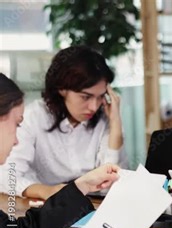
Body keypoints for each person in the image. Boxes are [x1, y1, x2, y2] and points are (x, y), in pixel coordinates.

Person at [0, 73, 143, 228]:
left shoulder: (100, 121)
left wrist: (81, 186)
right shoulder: (39, 116)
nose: (17, 139)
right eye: (17, 124)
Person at [0, 46, 127, 200]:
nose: (94, 106)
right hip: (44, 207)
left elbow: (114, 182)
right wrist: (46, 191)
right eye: (85, 97)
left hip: (92, 207)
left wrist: (116, 124)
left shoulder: (107, 117)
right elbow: (7, 176)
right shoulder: (33, 117)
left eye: (100, 97)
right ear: (61, 89)